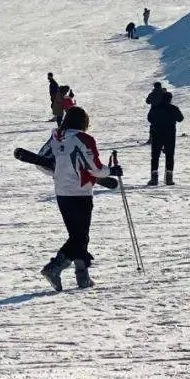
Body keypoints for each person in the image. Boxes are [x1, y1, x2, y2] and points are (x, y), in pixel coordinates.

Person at [36, 107, 120, 290]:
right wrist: (111, 171)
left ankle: (83, 277)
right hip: (81, 192)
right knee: (79, 237)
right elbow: (95, 168)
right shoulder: (84, 139)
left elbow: (40, 161)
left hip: (62, 192)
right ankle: (54, 268)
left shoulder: (56, 138)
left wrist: (57, 173)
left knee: (78, 236)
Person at [148, 91, 183, 186]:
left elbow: (149, 118)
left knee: (155, 156)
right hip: (170, 135)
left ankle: (154, 178)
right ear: (170, 99)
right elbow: (180, 119)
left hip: (157, 134)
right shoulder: (174, 108)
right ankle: (169, 178)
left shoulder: (155, 107)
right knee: (170, 155)